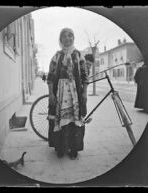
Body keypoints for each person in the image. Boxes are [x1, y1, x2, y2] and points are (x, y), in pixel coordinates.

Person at [47, 28, 89, 160]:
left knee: (73, 121)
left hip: (75, 93)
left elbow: (84, 75)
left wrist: (85, 93)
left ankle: (73, 149)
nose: (68, 38)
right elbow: (50, 77)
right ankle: (60, 148)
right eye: (64, 36)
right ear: (60, 39)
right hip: (59, 93)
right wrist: (51, 94)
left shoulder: (78, 54)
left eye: (70, 36)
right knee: (60, 120)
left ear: (73, 38)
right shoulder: (57, 55)